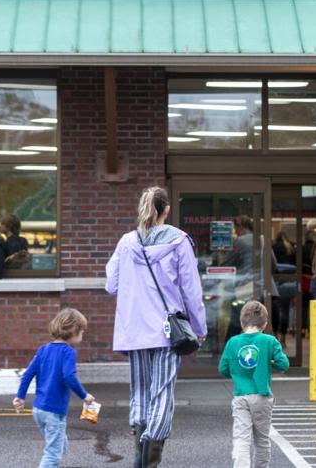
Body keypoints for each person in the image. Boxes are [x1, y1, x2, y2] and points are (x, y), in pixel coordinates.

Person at [105, 186, 207, 467]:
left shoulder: (126, 242)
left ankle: (140, 449)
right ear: (166, 210)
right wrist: (198, 326)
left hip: (134, 329)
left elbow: (111, 284)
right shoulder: (179, 241)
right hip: (167, 330)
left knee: (139, 390)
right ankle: (149, 460)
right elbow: (190, 289)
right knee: (162, 392)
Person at [13, 308, 96, 468]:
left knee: (60, 445)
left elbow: (28, 374)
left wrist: (20, 397)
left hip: (39, 410)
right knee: (52, 456)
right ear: (73, 330)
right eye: (82, 332)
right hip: (53, 412)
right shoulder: (69, 352)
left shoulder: (43, 350)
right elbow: (69, 376)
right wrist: (84, 395)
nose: (82, 335)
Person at [219, 301, 289, 468]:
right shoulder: (269, 341)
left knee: (241, 438)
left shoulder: (232, 342)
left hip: (241, 397)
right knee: (262, 440)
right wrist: (270, 362)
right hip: (262, 396)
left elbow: (223, 369)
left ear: (242, 323)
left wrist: (237, 373)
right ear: (264, 324)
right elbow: (283, 364)